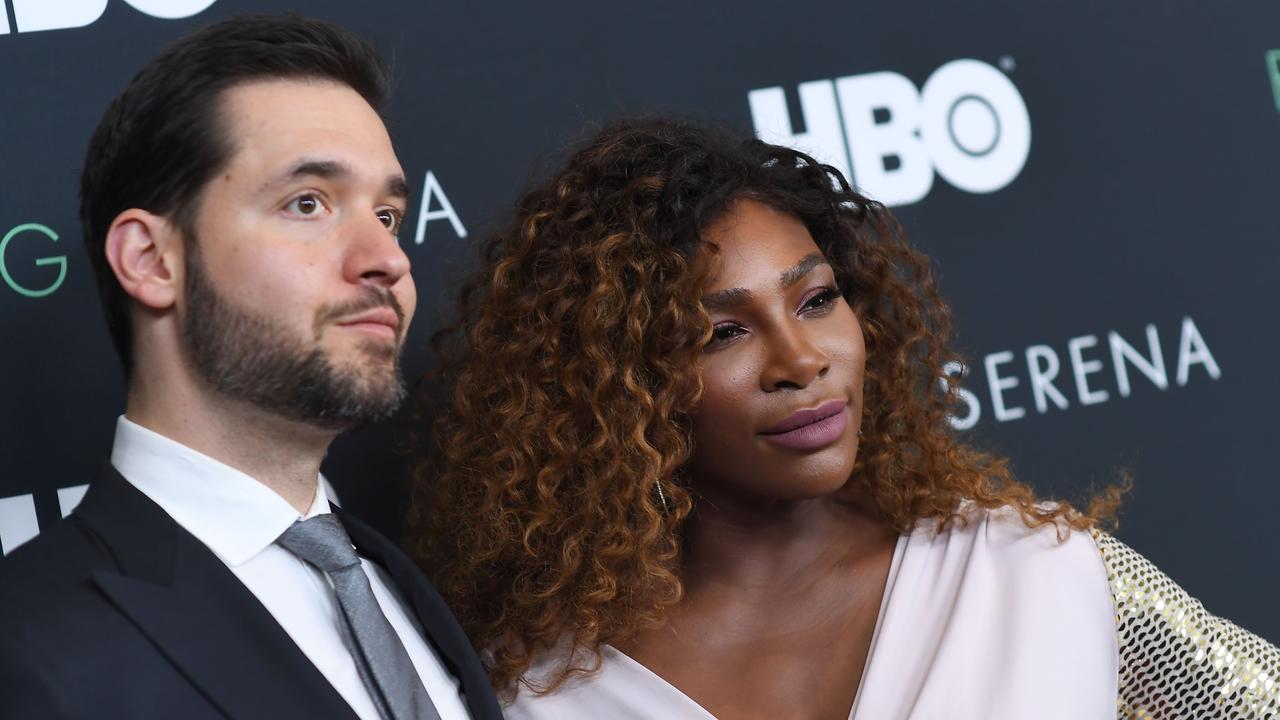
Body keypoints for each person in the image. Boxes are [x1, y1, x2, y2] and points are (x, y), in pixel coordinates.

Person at [409, 118, 1280, 719]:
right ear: (613, 388)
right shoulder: (543, 693)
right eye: (720, 333)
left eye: (817, 299)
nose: (800, 361)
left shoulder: (1029, 570)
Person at [0, 15, 501, 720]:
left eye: (387, 214)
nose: (389, 258)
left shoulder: (399, 580)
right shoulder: (29, 648)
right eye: (308, 203)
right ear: (151, 260)